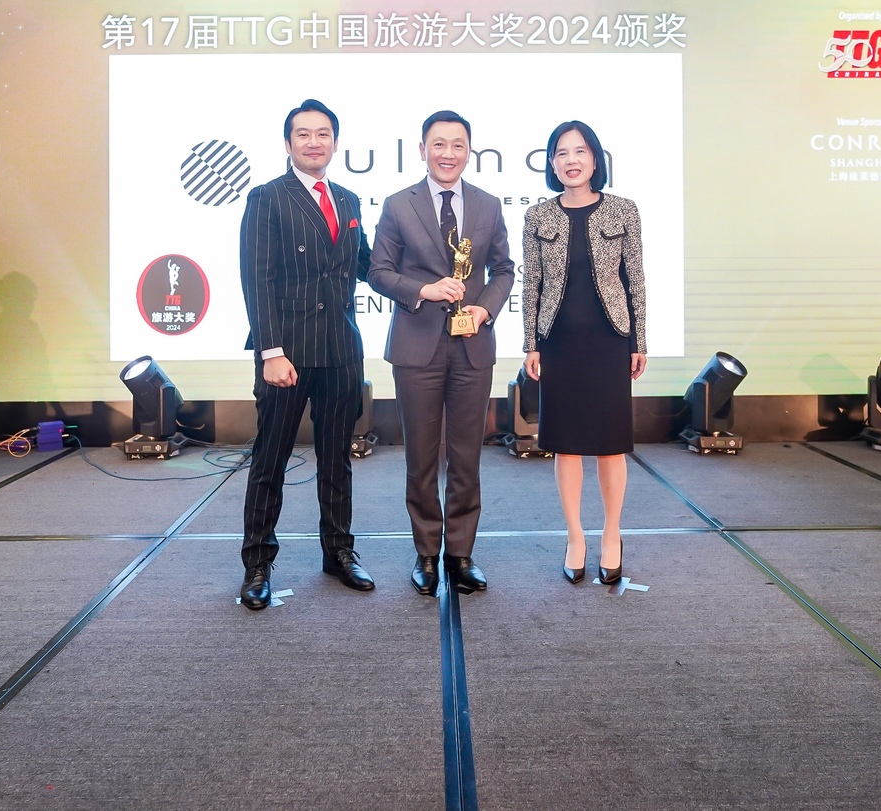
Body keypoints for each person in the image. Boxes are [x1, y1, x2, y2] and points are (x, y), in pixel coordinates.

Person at [368, 111, 514, 596]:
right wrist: (424, 290)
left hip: (473, 347)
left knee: (467, 456)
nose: (448, 153)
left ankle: (461, 555)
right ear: (422, 150)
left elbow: (504, 270)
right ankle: (427, 554)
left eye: (457, 145)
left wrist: (485, 309)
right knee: (422, 457)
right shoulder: (398, 205)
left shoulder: (488, 205)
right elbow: (378, 272)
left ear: (469, 151)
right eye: (439, 144)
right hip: (417, 346)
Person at [238, 99, 373, 610]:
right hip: (287, 353)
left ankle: (338, 552)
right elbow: (257, 279)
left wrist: (422, 275)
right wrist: (270, 351)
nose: (314, 142)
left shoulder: (349, 200)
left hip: (341, 349)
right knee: (270, 460)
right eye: (303, 134)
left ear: (335, 142)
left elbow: (366, 265)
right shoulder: (267, 197)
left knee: (337, 460)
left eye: (323, 134)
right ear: (288, 143)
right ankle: (257, 563)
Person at [521, 121, 647, 586]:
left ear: (596, 159)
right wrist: (531, 343)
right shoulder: (538, 215)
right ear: (552, 163)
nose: (571, 160)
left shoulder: (623, 210)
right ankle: (575, 536)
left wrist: (639, 341)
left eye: (580, 151)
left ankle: (612, 534)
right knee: (567, 444)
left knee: (611, 444)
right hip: (558, 342)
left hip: (609, 339)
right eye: (561, 152)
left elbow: (635, 280)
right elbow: (531, 284)